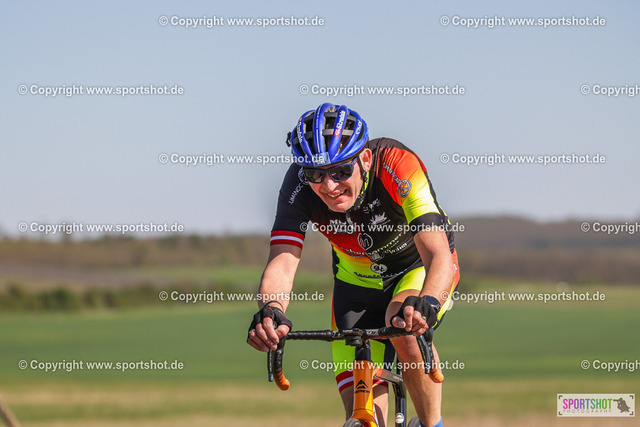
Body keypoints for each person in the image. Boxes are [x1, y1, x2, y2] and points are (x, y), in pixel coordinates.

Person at [247, 103, 460, 427]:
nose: (329, 186)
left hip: (417, 268)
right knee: (360, 416)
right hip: (355, 282)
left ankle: (431, 424)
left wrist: (428, 300)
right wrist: (271, 311)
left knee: (404, 326)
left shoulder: (397, 164)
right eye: (315, 174)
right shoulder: (297, 187)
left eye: (341, 171)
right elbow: (282, 264)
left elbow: (438, 254)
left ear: (365, 159)